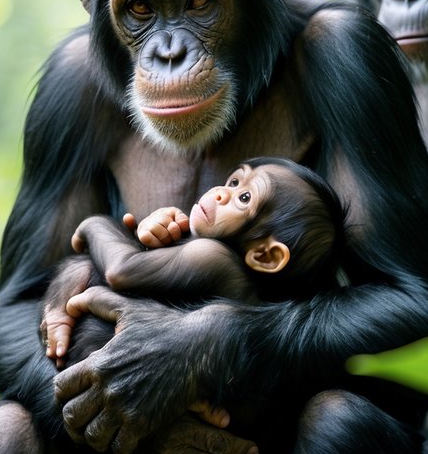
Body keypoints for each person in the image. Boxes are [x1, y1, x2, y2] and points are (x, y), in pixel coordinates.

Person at [40, 156, 346, 367]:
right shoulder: (218, 260)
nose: (220, 194)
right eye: (234, 180)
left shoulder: (214, 258)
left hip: (134, 371)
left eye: (244, 199)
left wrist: (96, 225)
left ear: (265, 255)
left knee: (85, 267)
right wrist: (155, 236)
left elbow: (121, 270)